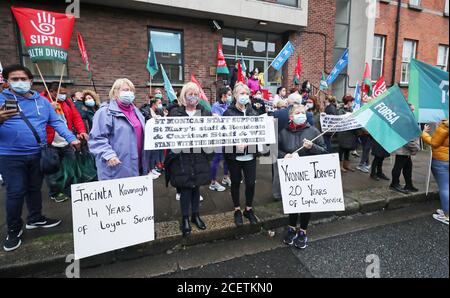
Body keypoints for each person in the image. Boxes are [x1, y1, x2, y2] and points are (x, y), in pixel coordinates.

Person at [0, 65, 80, 252]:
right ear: (6, 81)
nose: (19, 82)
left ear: (30, 81)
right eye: (14, 79)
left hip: (38, 153)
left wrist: (72, 138)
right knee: (16, 191)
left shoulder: (42, 102)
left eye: (23, 78)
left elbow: (57, 122)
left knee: (35, 188)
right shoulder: (2, 99)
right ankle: (13, 229)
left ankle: (35, 219)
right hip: (10, 156)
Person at [165, 82, 211, 236]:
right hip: (181, 157)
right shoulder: (176, 112)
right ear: (183, 95)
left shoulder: (204, 112)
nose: (193, 97)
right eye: (189, 94)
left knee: (196, 186)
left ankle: (195, 215)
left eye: (196, 94)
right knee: (185, 187)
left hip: (199, 155)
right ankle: (185, 218)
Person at [279, 105, 328, 249]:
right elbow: (276, 151)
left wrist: (312, 146)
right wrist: (284, 155)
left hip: (308, 175)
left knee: (306, 203)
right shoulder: (283, 132)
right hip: (291, 175)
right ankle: (291, 228)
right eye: (297, 113)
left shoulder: (313, 131)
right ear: (291, 117)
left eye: (303, 112)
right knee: (293, 202)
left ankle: (303, 231)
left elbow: (325, 151)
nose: (301, 114)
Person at [89, 78, 149, 181]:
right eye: (125, 90)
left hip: (137, 164)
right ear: (115, 92)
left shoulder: (137, 112)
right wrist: (108, 155)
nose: (129, 93)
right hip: (116, 166)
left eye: (131, 90)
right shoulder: (104, 112)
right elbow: (96, 138)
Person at [42, 83, 88, 203]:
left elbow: (76, 117)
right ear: (52, 92)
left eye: (64, 93)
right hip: (50, 142)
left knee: (71, 165)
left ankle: (70, 188)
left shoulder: (67, 102)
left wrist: (81, 131)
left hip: (67, 140)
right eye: (61, 93)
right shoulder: (41, 101)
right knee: (52, 169)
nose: (64, 95)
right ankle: (55, 192)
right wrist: (47, 109)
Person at [223, 83, 259, 227]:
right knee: (236, 182)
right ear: (235, 95)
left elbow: (258, 133)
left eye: (246, 93)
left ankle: (248, 209)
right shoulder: (228, 113)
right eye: (241, 93)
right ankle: (237, 209)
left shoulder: (253, 112)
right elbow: (223, 136)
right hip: (234, 157)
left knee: (250, 183)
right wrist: (234, 144)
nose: (244, 96)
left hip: (250, 155)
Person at [422, 119, 449, 225]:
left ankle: (447, 215)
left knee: (445, 187)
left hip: (441, 160)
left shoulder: (445, 125)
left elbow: (434, 143)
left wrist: (424, 133)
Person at [390, 104, 420, 194]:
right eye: (412, 109)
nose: (413, 111)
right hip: (403, 148)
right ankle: (394, 184)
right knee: (398, 166)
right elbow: (406, 137)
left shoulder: (405, 117)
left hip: (405, 148)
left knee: (408, 167)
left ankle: (408, 184)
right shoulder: (404, 119)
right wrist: (415, 147)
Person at [209, 87, 232, 192]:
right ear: (223, 95)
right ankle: (213, 182)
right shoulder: (215, 106)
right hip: (219, 136)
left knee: (227, 158)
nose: (230, 97)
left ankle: (225, 177)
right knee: (217, 159)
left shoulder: (228, 105)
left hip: (227, 136)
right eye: (229, 94)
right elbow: (217, 122)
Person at [140, 97, 164, 179]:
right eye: (159, 103)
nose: (160, 105)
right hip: (148, 137)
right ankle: (146, 171)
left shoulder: (158, 111)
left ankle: (152, 168)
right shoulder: (146, 111)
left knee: (154, 153)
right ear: (154, 104)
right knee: (148, 154)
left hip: (155, 136)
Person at [337, 95, 358, 173]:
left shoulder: (351, 109)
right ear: (348, 102)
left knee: (347, 150)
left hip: (350, 133)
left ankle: (346, 165)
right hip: (343, 133)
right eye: (351, 101)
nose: (352, 103)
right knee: (341, 150)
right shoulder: (341, 110)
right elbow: (340, 120)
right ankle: (340, 165)